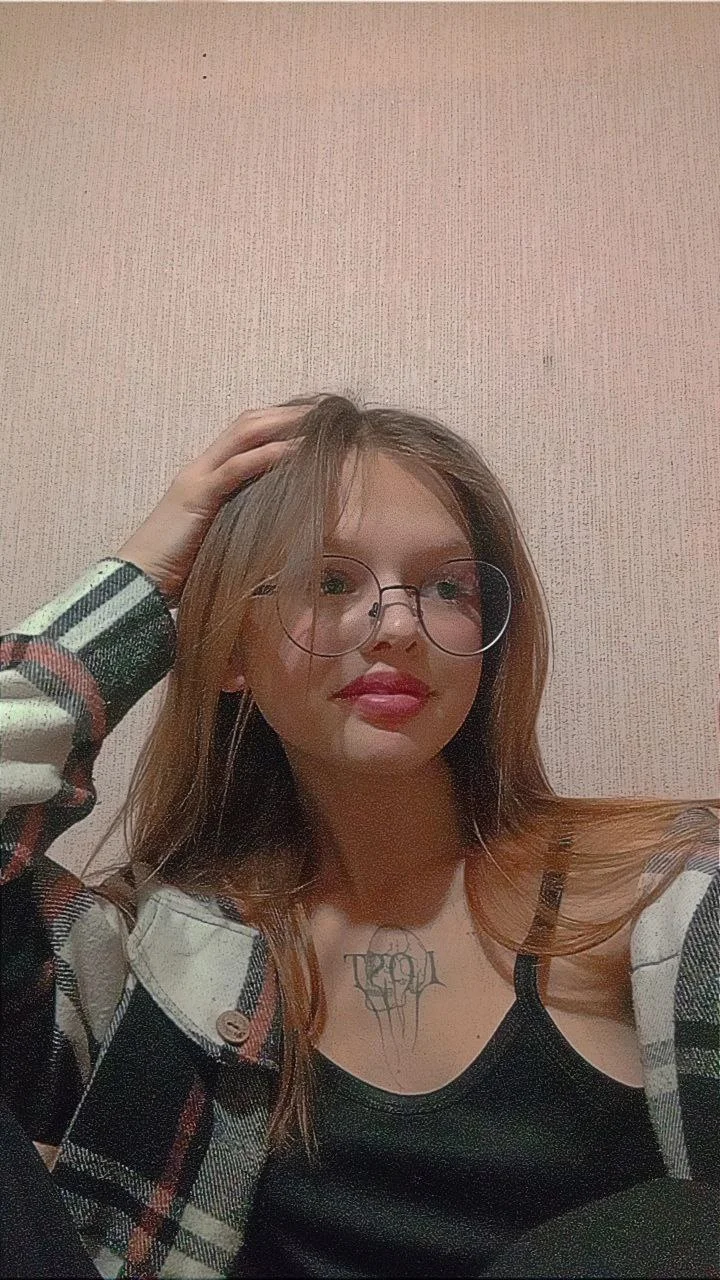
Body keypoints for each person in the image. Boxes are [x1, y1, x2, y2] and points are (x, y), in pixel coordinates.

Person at [1, 394, 717, 1279]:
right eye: (331, 581)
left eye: (446, 588)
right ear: (231, 651)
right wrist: (140, 581)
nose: (401, 627)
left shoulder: (661, 903)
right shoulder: (155, 956)